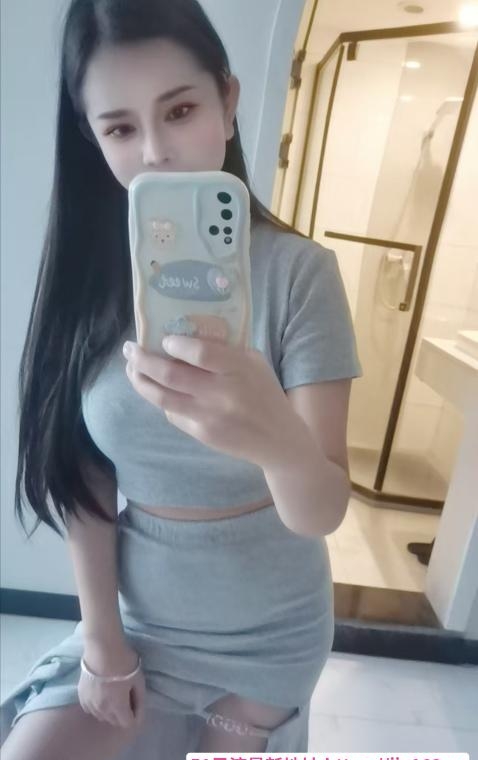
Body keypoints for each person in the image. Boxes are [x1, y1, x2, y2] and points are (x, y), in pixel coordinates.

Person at [0, 0, 363, 758]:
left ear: (228, 103)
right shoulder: (86, 284)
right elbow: (83, 476)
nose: (156, 153)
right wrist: (102, 641)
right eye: (120, 128)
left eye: (181, 110)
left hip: (270, 632)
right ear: (91, 138)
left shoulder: (302, 275)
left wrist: (274, 435)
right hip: (139, 619)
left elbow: (321, 509)